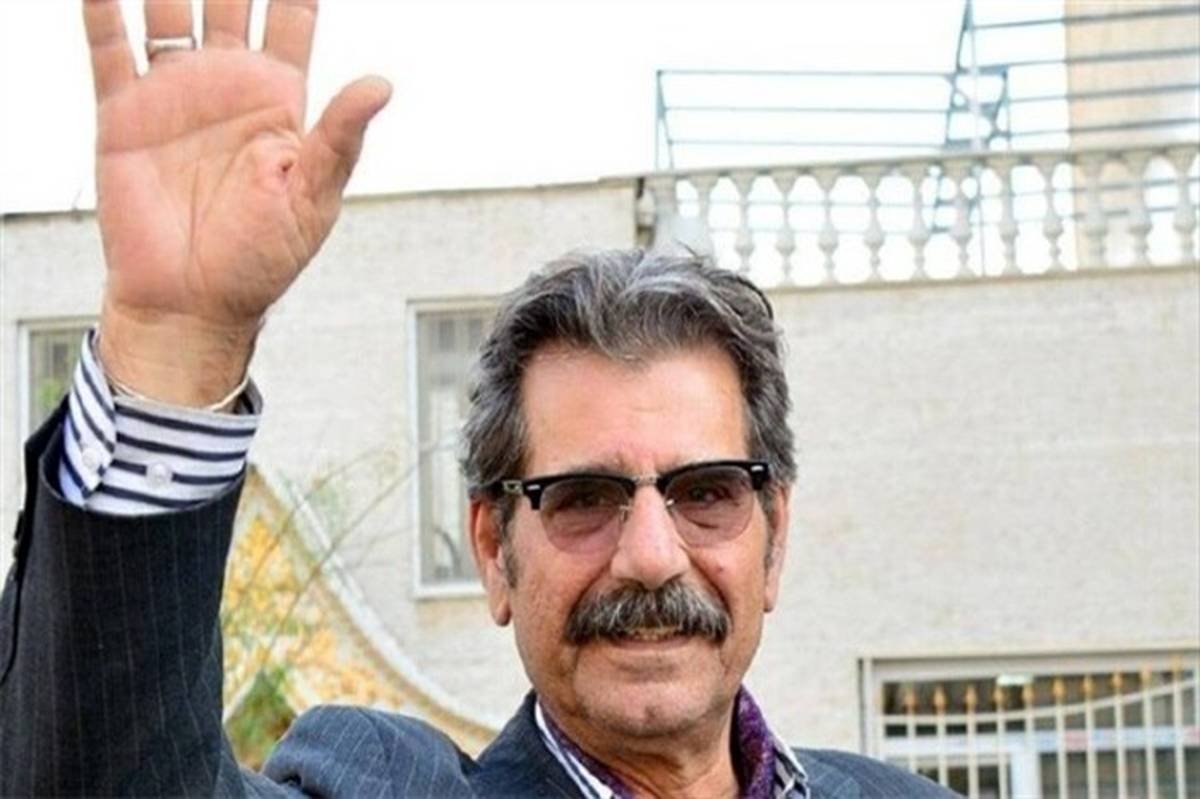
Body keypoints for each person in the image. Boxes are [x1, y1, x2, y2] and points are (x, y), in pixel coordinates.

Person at [0, 1, 954, 796]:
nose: (651, 554)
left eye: (706, 491)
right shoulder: (381, 783)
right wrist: (176, 347)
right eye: (583, 497)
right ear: (495, 549)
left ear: (774, 539)